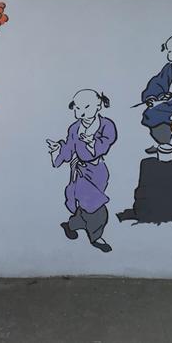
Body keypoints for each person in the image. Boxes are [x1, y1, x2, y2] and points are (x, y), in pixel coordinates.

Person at [47, 89, 118, 253]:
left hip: (98, 170)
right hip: (81, 171)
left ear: (98, 106)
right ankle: (96, 237)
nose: (81, 112)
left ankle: (72, 224)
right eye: (77, 108)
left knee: (88, 204)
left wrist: (92, 143)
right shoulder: (74, 128)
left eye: (86, 107)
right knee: (96, 206)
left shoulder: (106, 125)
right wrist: (58, 150)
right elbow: (68, 149)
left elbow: (107, 142)